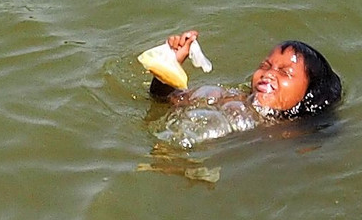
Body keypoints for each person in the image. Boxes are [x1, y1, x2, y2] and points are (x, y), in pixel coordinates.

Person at [146, 32, 342, 148]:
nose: (269, 74)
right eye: (265, 66)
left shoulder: (301, 136)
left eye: (284, 72)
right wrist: (170, 65)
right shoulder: (230, 100)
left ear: (310, 93)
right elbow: (162, 99)